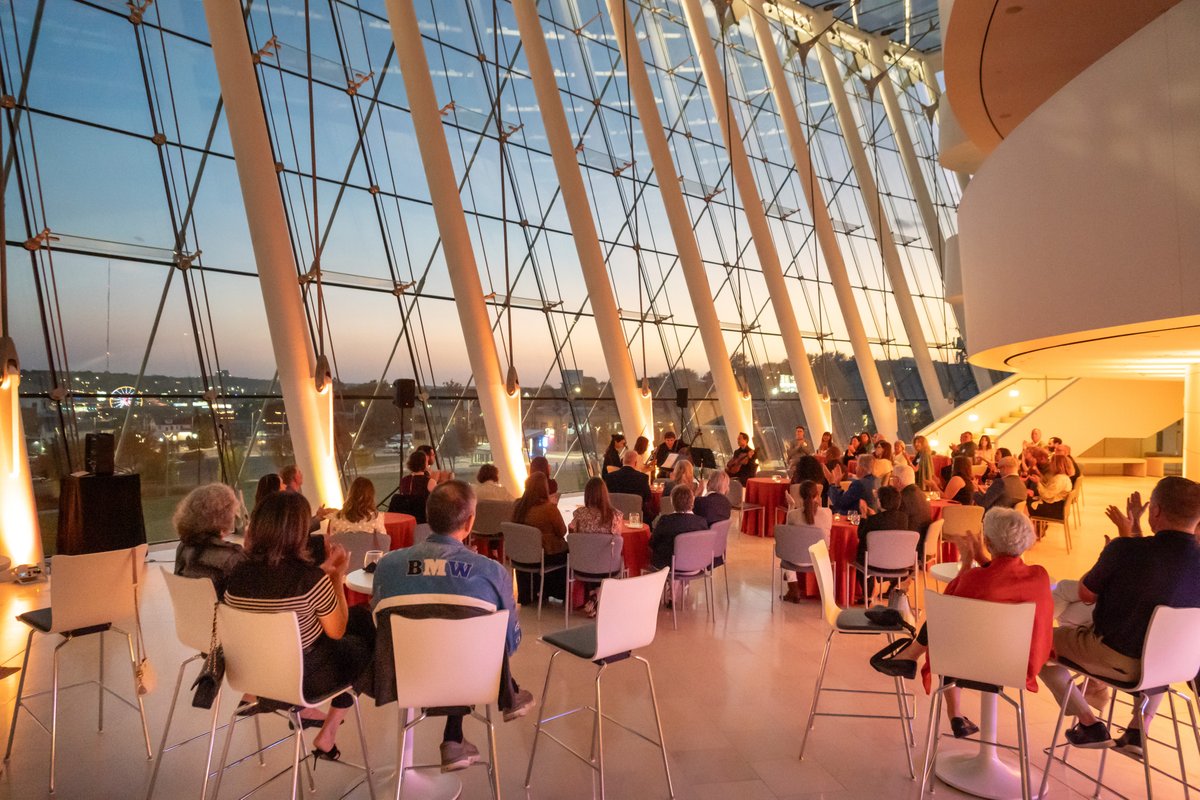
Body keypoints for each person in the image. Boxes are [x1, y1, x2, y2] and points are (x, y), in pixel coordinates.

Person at [372, 481, 535, 771]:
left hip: (403, 676)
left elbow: (379, 627)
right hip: (470, 679)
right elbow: (510, 643)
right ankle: (489, 708)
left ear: (428, 514)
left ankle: (454, 738)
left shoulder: (387, 566)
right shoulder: (492, 572)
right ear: (470, 522)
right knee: (472, 641)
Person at [1038, 477, 1200, 754]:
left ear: (1156, 511)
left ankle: (1089, 724)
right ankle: (1137, 729)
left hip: (1116, 659)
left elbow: (1086, 593)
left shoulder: (1124, 550)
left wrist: (1107, 556)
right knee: (1155, 637)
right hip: (1174, 664)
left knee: (1035, 642)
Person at [874, 509, 1053, 740]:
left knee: (950, 626)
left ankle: (945, 700)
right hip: (1016, 666)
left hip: (965, 663)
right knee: (955, 627)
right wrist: (982, 558)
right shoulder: (1039, 576)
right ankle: (914, 663)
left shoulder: (975, 579)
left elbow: (949, 605)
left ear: (988, 541)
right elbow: (1004, 577)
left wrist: (968, 561)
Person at [223, 491, 374, 761]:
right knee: (365, 638)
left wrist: (322, 573)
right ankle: (329, 731)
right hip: (303, 680)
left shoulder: (236, 575)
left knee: (358, 621)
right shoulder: (308, 580)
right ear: (298, 532)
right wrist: (336, 577)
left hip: (251, 675)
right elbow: (337, 630)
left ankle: (320, 728)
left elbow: (277, 594)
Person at [173, 483, 245, 598]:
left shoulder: (183, 547)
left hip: (190, 608)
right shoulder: (232, 555)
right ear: (224, 515)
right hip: (220, 609)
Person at [570, 478, 625, 617]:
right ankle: (598, 595)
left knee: (590, 555)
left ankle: (593, 595)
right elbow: (618, 538)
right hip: (608, 568)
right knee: (607, 555)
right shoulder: (615, 516)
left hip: (582, 567)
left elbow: (572, 534)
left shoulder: (579, 515)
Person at [511, 472, 567, 604]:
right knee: (570, 553)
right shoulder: (549, 509)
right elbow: (562, 531)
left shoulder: (518, 506)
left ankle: (531, 593)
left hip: (521, 555)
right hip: (543, 556)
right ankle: (558, 591)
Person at [781, 480, 831, 603]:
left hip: (796, 559)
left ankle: (793, 588)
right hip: (819, 559)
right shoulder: (827, 513)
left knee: (786, 549)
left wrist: (791, 506)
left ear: (800, 496)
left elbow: (787, 536)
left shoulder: (793, 515)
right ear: (817, 495)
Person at [649, 484, 708, 570]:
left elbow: (652, 543)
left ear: (672, 502)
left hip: (667, 566)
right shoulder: (701, 522)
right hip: (696, 565)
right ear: (692, 501)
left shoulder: (666, 521)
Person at [855, 485, 909, 569]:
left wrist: (864, 516)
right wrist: (875, 515)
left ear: (879, 502)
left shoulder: (873, 520)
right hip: (897, 562)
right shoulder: (903, 518)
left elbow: (860, 535)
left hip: (874, 564)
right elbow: (887, 519)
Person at [604, 450, 653, 518]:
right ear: (635, 463)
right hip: (635, 516)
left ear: (622, 462)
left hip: (614, 515)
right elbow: (648, 497)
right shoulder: (642, 478)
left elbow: (607, 497)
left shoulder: (610, 477)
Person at [392, 450, 436, 523]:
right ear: (424, 464)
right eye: (426, 461)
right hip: (423, 519)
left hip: (405, 518)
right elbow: (437, 502)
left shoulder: (404, 480)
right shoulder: (430, 482)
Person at [1029, 453, 1072, 520]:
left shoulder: (1060, 479)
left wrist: (1038, 483)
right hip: (1057, 505)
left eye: (1051, 463)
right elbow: (1049, 487)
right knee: (1029, 497)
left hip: (1054, 509)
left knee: (1025, 503)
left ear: (1057, 465)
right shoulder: (1062, 477)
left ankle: (1031, 525)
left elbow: (1046, 495)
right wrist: (1039, 480)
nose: (1050, 464)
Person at [899, 483, 933, 553]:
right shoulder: (921, 494)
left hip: (913, 545)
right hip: (924, 541)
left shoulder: (904, 497)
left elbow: (899, 522)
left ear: (898, 481)